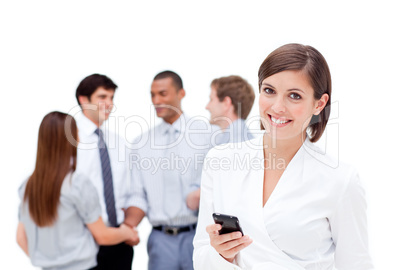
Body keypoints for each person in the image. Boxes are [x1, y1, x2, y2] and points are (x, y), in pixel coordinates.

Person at [193, 44, 374, 269]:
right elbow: (201, 254)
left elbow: (356, 264)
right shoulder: (220, 160)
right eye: (269, 91)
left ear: (319, 104)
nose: (277, 107)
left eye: (295, 96)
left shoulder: (340, 179)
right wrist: (222, 255)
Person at [16, 111, 137, 270]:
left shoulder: (28, 186)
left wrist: (50, 261)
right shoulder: (77, 184)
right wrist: (127, 233)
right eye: (77, 132)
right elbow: (102, 236)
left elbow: (21, 238)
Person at [127, 71, 216, 270]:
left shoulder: (206, 135)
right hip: (160, 240)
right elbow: (137, 195)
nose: (156, 100)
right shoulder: (141, 143)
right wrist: (127, 228)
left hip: (199, 236)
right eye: (152, 95)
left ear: (181, 93)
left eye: (163, 93)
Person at [74, 74, 139, 269]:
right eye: (102, 97)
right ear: (83, 100)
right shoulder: (68, 140)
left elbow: (130, 190)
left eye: (112, 98)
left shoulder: (118, 142)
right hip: (82, 239)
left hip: (119, 241)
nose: (109, 104)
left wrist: (127, 228)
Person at [206, 75, 255, 144]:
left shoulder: (235, 143)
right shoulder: (241, 138)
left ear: (226, 103)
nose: (207, 107)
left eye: (211, 99)